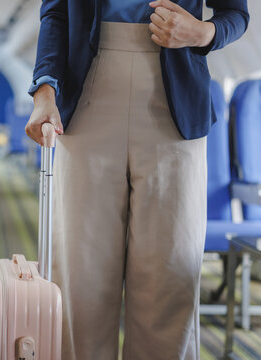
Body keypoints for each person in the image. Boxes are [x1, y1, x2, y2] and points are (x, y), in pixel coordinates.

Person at [25, 0, 249, 359]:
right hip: (86, 97)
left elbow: (235, 13)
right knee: (80, 276)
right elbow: (56, 14)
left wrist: (204, 32)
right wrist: (44, 90)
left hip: (176, 105)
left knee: (169, 275)